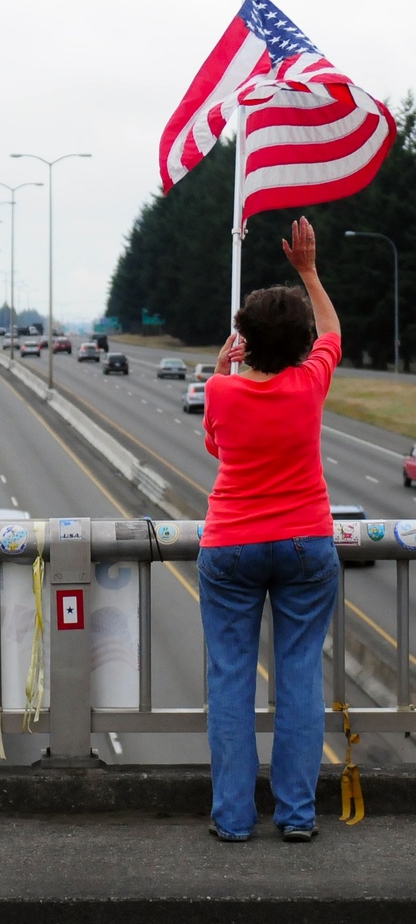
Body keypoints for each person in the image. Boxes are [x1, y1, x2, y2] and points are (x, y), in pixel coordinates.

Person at [198, 215, 341, 844]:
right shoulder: (310, 384)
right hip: (307, 542)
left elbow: (214, 446)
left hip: (230, 545)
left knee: (230, 678)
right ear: (298, 344)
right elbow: (333, 331)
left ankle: (232, 818)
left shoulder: (222, 391)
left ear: (244, 341)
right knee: (300, 675)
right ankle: (297, 817)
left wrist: (223, 366)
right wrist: (308, 270)